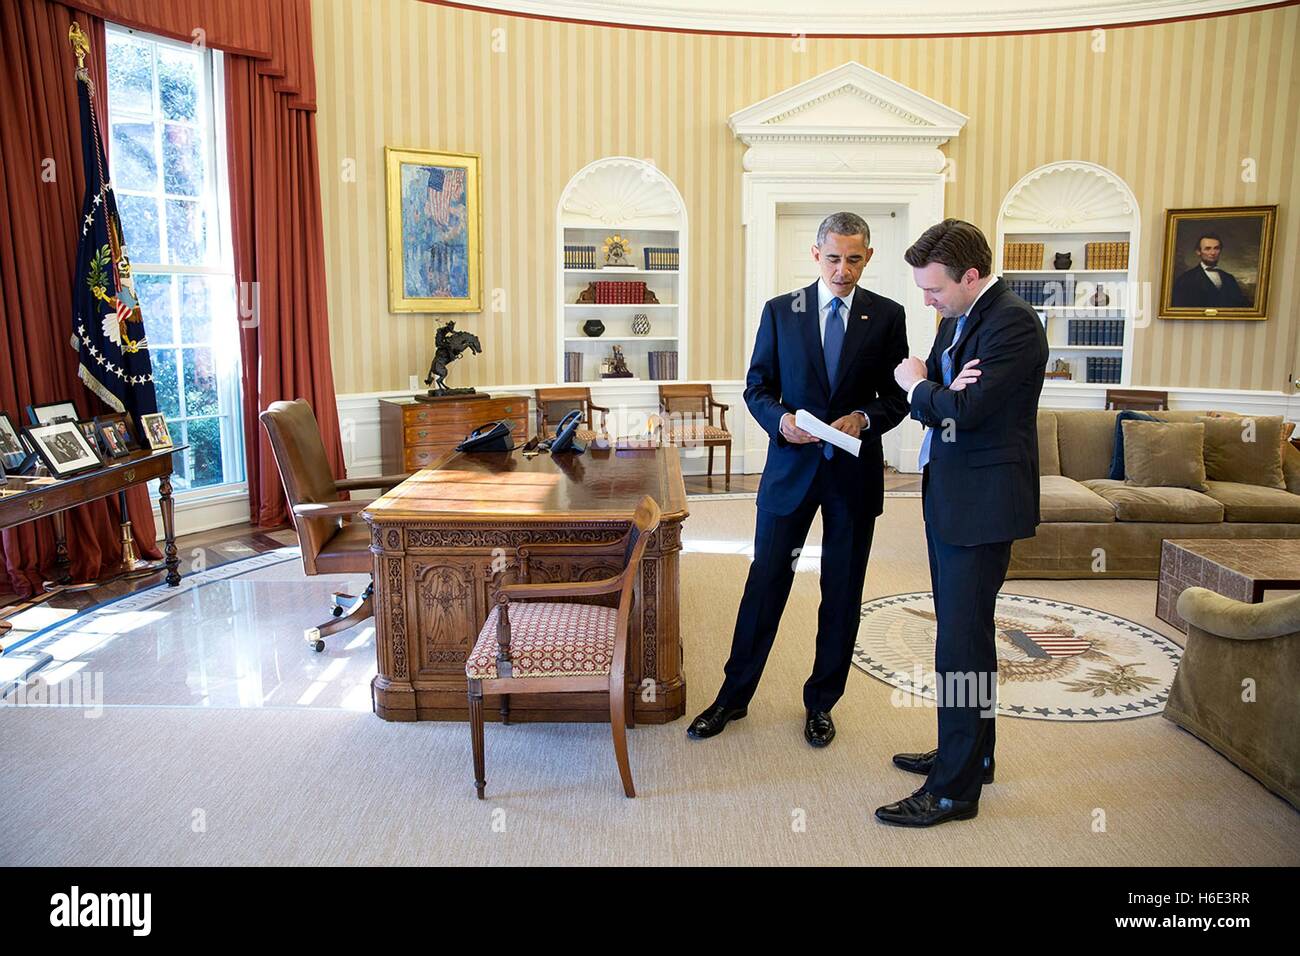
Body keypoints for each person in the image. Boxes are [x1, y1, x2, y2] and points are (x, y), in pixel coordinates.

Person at [686, 212, 910, 748]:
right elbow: (756, 387)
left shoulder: (887, 316)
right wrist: (781, 422)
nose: (842, 270)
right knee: (765, 584)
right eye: (833, 258)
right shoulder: (780, 312)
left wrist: (866, 418)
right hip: (790, 471)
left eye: (854, 259)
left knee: (842, 591)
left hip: (853, 476)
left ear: (868, 257)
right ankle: (732, 698)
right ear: (816, 255)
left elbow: (899, 397)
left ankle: (821, 704)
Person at [883, 219, 1048, 827]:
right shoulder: (961, 316)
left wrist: (922, 384)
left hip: (981, 503)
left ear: (970, 276)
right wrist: (939, 389)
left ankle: (952, 790)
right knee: (965, 632)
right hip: (951, 493)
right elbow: (944, 400)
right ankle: (973, 755)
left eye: (933, 290)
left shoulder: (1012, 324)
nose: (927, 301)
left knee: (960, 644)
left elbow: (961, 409)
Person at [1170, 232, 1249, 308]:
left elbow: (1240, 306)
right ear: (1198, 252)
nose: (1213, 252)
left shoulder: (1229, 278)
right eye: (1207, 249)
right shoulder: (1185, 279)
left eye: (1216, 248)